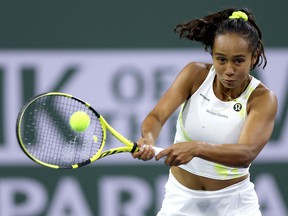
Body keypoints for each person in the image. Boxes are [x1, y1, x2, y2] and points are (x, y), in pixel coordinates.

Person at [132, 8, 278, 216]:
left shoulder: (262, 98)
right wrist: (148, 137)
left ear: (253, 57)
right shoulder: (195, 74)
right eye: (221, 59)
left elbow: (246, 153)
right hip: (180, 201)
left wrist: (197, 148)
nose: (229, 70)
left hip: (234, 204)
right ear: (212, 54)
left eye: (238, 61)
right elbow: (156, 116)